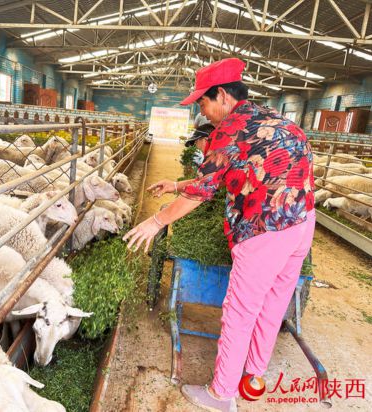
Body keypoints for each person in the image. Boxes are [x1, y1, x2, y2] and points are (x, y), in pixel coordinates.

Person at [123, 58, 315, 412]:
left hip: (265, 228)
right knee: (272, 305)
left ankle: (221, 394)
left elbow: (203, 191)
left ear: (223, 96)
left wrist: (156, 222)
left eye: (203, 102)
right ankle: (253, 374)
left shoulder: (229, 128)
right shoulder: (273, 118)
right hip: (302, 223)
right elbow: (228, 173)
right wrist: (177, 183)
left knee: (240, 311)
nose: (203, 111)